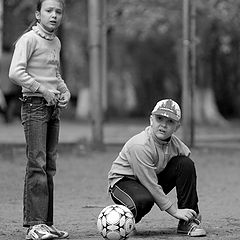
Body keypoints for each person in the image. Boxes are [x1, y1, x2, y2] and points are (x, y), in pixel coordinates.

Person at [8, 0, 70, 239]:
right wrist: (41, 89)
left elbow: (55, 74)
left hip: (53, 109)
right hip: (34, 106)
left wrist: (65, 91)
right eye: (49, 11)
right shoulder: (28, 40)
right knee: (37, 164)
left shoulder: (56, 42)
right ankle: (34, 225)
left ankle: (46, 223)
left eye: (58, 11)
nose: (54, 15)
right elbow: (15, 72)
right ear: (38, 14)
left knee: (49, 167)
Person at [108, 99, 207, 237]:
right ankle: (124, 222)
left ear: (177, 127)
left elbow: (186, 166)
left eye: (170, 121)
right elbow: (150, 183)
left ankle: (188, 222)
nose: (164, 125)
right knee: (144, 200)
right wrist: (174, 211)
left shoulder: (176, 145)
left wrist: (191, 206)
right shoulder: (140, 145)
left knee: (186, 164)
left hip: (150, 179)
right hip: (123, 183)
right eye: (159, 119)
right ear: (151, 120)